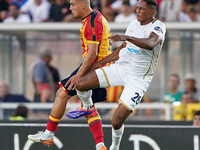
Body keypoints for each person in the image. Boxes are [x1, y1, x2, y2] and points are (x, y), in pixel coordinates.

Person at [67, 0, 166, 150]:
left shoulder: (158, 26)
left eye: (141, 9)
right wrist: (102, 62)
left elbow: (151, 42)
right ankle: (87, 107)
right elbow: (123, 49)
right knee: (80, 84)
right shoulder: (133, 24)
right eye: (137, 8)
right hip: (121, 68)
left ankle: (115, 146)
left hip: (138, 79)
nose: (137, 11)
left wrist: (127, 38)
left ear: (151, 11)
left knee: (116, 121)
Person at [28, 0, 112, 150]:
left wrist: (79, 74)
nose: (70, 8)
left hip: (94, 67)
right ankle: (100, 145)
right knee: (88, 107)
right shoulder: (93, 18)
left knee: (61, 94)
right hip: (99, 68)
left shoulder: (92, 21)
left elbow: (93, 53)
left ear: (82, 5)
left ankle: (48, 135)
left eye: (72, 4)